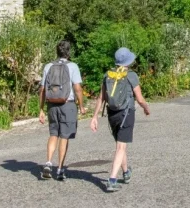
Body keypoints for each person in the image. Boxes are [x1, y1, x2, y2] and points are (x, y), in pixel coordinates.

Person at [90, 47, 150, 192]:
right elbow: (140, 99)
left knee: (120, 144)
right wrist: (146, 108)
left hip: (112, 114)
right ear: (128, 61)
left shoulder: (108, 75)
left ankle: (126, 172)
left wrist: (94, 116)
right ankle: (112, 180)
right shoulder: (131, 75)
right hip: (126, 113)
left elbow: (101, 98)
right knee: (121, 147)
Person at [39, 40, 86, 181]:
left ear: (57, 52)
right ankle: (59, 169)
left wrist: (40, 109)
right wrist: (82, 105)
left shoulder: (48, 66)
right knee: (64, 136)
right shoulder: (73, 66)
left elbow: (42, 90)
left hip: (51, 104)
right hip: (67, 104)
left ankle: (48, 163)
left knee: (53, 133)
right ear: (68, 52)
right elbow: (77, 88)